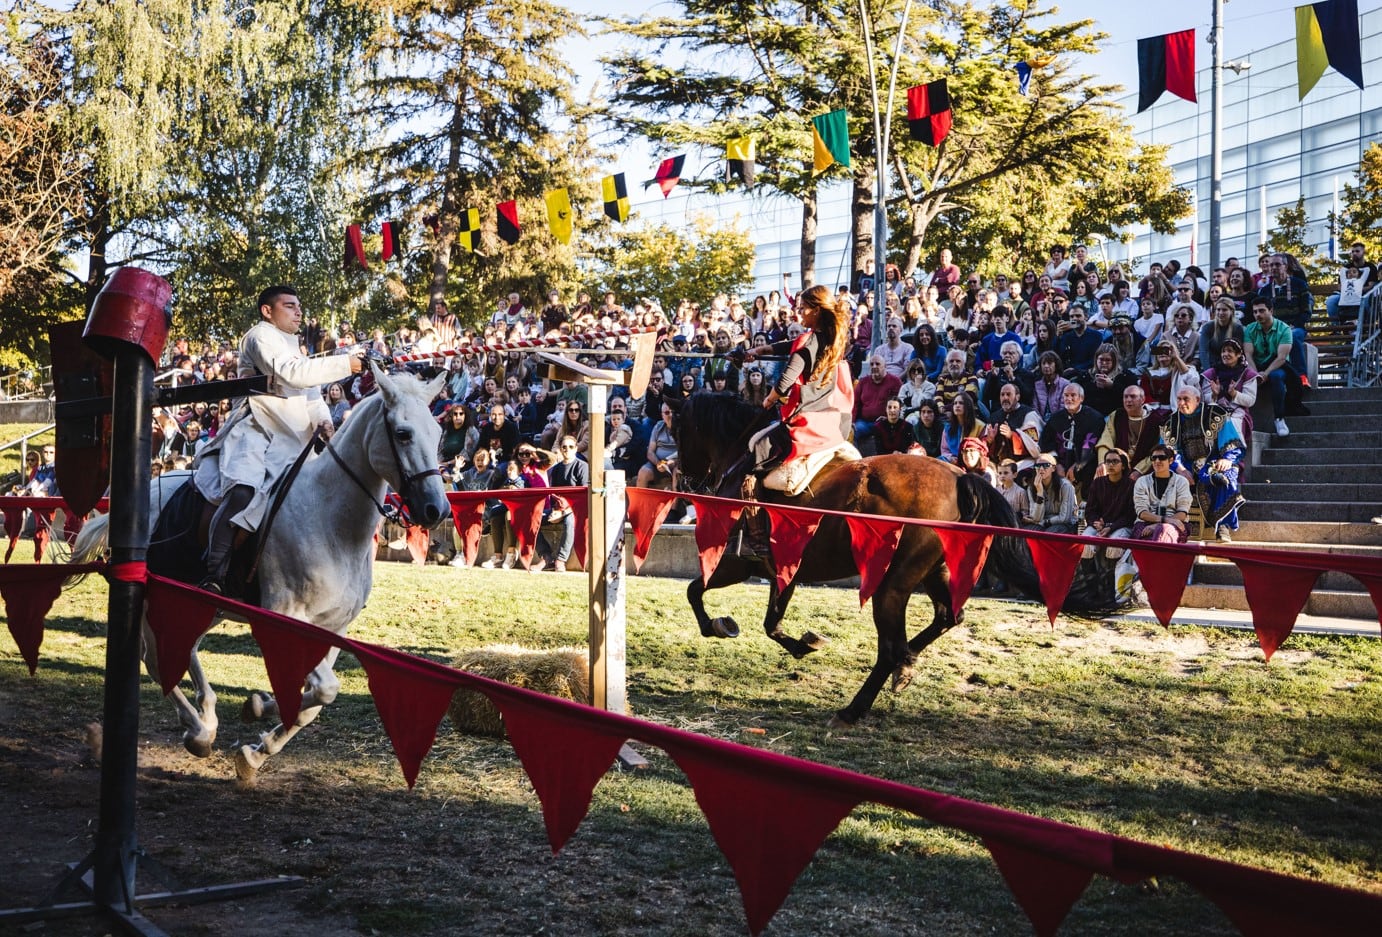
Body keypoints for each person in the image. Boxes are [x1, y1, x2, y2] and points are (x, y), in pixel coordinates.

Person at [192, 285, 362, 593]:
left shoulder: (293, 345)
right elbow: (291, 373)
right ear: (267, 311)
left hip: (294, 434)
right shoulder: (259, 336)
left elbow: (309, 391)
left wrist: (323, 419)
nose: (298, 311)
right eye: (290, 306)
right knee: (243, 492)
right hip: (257, 428)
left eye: (299, 306)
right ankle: (214, 574)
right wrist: (344, 364)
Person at [739, 283, 854, 492]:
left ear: (816, 311)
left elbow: (784, 383)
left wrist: (769, 400)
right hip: (834, 421)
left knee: (756, 447)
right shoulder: (830, 337)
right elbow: (789, 345)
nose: (797, 311)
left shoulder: (807, 340)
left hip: (808, 421)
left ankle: (754, 521)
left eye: (802, 308)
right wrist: (760, 350)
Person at [1161, 385, 1246, 543]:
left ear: (1198, 400)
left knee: (1224, 477)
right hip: (1184, 465)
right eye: (1179, 399)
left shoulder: (1216, 414)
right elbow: (1167, 452)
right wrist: (1179, 468)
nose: (1181, 403)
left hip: (1214, 462)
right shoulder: (1171, 422)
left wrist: (1227, 459)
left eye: (1186, 399)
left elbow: (1232, 443)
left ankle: (1222, 525)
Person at [1112, 442, 1194, 602]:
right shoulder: (1142, 482)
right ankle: (1152, 585)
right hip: (1144, 524)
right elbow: (1142, 512)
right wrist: (1161, 521)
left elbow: (1183, 513)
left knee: (1163, 531)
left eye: (1161, 458)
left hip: (1175, 525)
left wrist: (1160, 524)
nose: (1157, 461)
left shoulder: (1181, 482)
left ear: (1171, 460)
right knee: (1153, 537)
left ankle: (1146, 583)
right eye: (1153, 458)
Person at [1243, 296, 1300, 438]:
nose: (1258, 315)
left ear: (1271, 310)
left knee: (1276, 377)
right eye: (1255, 312)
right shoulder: (1250, 329)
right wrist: (1255, 374)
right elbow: (1248, 354)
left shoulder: (1284, 329)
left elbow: (1281, 357)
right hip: (1255, 366)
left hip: (1277, 366)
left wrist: (1266, 373)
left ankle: (1279, 418)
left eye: (1261, 311)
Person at [533, 435, 589, 574]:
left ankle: (561, 559)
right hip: (558, 508)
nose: (567, 450)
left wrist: (564, 513)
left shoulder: (582, 466)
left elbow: (583, 497)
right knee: (532, 519)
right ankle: (545, 557)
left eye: (571, 447)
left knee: (570, 522)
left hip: (575, 510)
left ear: (576, 448)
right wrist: (555, 511)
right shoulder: (554, 469)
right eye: (564, 447)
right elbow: (553, 494)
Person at [1038, 383, 1104, 498]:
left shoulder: (1094, 418)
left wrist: (1077, 466)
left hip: (1084, 462)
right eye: (1066, 395)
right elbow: (1047, 443)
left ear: (1081, 398)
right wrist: (1056, 464)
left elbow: (1089, 445)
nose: (1069, 399)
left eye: (1073, 395)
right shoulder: (1055, 418)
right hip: (1060, 462)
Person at [1080, 447, 1136, 561]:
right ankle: (1089, 576)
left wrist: (1111, 527)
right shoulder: (1097, 483)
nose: (1111, 464)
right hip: (1099, 526)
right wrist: (1096, 523)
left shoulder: (1131, 485)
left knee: (1114, 547)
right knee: (1084, 544)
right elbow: (1090, 511)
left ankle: (1111, 577)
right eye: (1108, 461)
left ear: (1123, 465)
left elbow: (1131, 516)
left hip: (1121, 526)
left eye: (1115, 461)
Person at [983, 382, 1042, 470]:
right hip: (997, 462)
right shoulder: (994, 416)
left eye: (1008, 394)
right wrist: (990, 440)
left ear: (1017, 397)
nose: (1005, 398)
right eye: (1002, 395)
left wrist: (1012, 436)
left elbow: (1034, 447)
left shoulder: (1029, 415)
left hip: (1023, 462)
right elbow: (984, 442)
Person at [852, 354, 902, 452]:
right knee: (852, 433)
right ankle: (855, 461)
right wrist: (852, 421)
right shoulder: (863, 382)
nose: (874, 366)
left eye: (877, 364)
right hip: (864, 422)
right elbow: (855, 403)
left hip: (885, 421)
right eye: (871, 364)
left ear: (885, 366)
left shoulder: (895, 382)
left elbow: (899, 404)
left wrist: (889, 418)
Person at [1022, 452, 1078, 533]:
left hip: (1065, 524)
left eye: (1046, 465)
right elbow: (1036, 518)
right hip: (1042, 523)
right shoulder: (1031, 488)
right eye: (1038, 466)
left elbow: (1065, 518)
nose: (1041, 469)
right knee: (1024, 532)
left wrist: (1045, 522)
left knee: (1049, 534)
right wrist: (1039, 493)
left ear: (1053, 468)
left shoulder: (1066, 486)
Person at [637, 403, 679, 489]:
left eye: (673, 412)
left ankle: (676, 502)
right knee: (643, 472)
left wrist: (672, 461)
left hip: (676, 463)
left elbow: (684, 451)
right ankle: (640, 501)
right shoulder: (658, 427)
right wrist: (658, 463)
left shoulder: (682, 428)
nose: (670, 415)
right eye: (667, 412)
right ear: (662, 415)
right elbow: (650, 452)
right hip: (658, 464)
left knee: (677, 473)